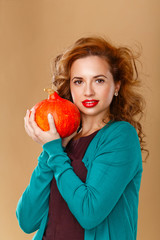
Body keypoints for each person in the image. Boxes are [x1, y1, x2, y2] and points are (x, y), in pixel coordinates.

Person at [16, 36, 148, 240]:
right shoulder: (60, 142)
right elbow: (26, 220)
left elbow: (89, 213)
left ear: (117, 86)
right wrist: (49, 152)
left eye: (99, 80)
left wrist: (54, 151)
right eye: (79, 81)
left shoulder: (121, 136)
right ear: (70, 86)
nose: (88, 91)